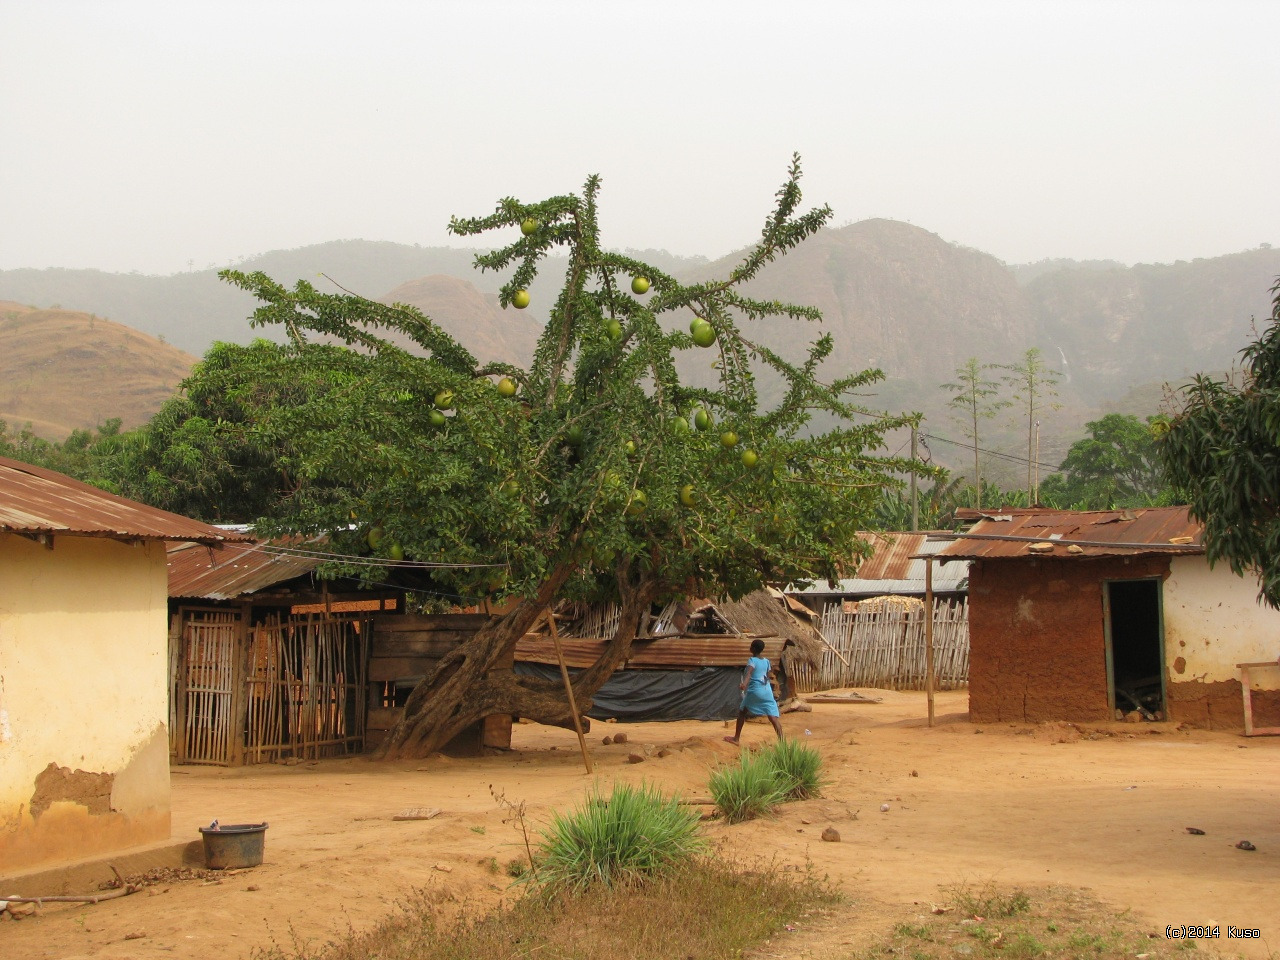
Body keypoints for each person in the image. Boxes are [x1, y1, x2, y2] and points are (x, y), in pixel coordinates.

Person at [724, 638, 784, 744]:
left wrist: (744, 685)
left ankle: (736, 738)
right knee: (773, 717)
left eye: (751, 646)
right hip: (766, 691)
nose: (749, 647)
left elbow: (749, 673)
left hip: (755, 691)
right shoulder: (766, 661)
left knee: (742, 712)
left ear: (753, 649)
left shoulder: (752, 660)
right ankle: (783, 743)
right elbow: (768, 675)